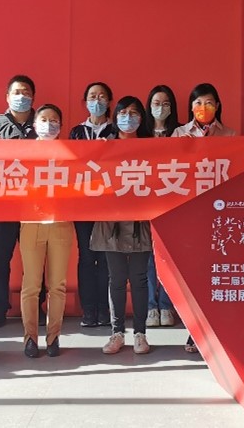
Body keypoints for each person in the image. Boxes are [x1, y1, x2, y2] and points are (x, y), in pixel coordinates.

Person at [173, 83, 237, 353]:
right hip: (189, 214)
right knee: (192, 276)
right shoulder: (179, 134)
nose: (203, 107)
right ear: (190, 107)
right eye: (198, 103)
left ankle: (216, 332)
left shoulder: (230, 135)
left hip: (219, 214)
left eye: (209, 102)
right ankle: (194, 332)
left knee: (216, 275)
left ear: (218, 106)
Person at [95, 97, 156, 355]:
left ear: (142, 118)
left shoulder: (151, 147)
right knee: (117, 279)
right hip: (112, 223)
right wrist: (97, 152)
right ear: (115, 116)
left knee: (140, 278)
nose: (128, 118)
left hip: (141, 221)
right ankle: (117, 332)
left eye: (134, 113)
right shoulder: (104, 145)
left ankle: (140, 333)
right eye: (123, 112)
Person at [0, 75, 40, 330]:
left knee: (36, 259)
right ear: (7, 97)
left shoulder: (43, 122)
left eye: (26, 92)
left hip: (35, 205)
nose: (21, 96)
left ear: (33, 97)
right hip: (2, 205)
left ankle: (36, 307)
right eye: (16, 92)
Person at [20, 104, 75, 358]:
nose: (49, 124)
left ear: (60, 126)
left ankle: (54, 337)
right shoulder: (24, 154)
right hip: (31, 223)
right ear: (34, 124)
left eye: (54, 120)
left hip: (61, 223)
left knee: (57, 285)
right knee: (31, 285)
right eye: (44, 119)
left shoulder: (70, 154)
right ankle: (30, 338)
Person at [70, 82, 116, 328]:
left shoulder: (117, 130)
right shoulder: (77, 132)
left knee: (107, 258)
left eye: (102, 96)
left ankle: (106, 310)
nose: (97, 101)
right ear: (85, 101)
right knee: (87, 257)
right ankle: (88, 310)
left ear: (109, 101)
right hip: (83, 204)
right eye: (92, 96)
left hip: (110, 205)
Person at [145, 85, 182, 328]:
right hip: (145, 202)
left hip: (173, 202)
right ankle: (151, 306)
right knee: (148, 258)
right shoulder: (141, 133)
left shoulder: (181, 133)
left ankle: (167, 305)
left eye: (166, 103)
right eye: (156, 103)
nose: (161, 108)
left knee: (170, 258)